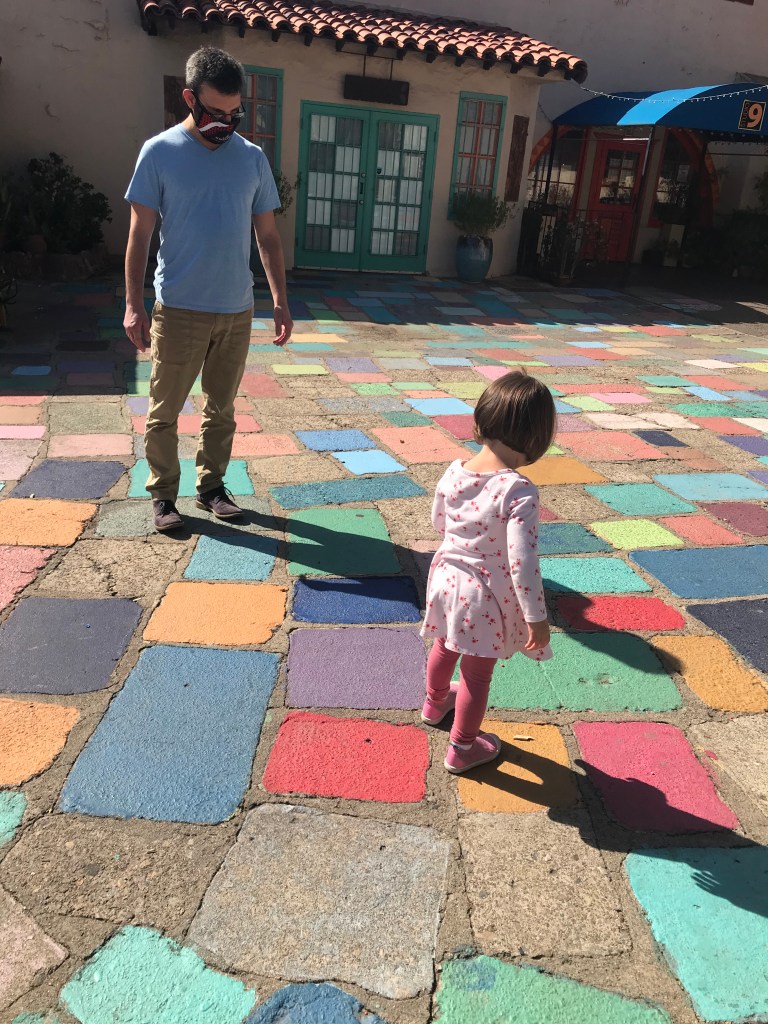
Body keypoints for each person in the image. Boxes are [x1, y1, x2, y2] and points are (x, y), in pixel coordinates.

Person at [123, 46, 292, 532]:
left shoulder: (251, 159)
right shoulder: (159, 153)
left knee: (222, 409)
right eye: (215, 112)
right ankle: (163, 495)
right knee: (164, 411)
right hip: (179, 308)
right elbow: (139, 235)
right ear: (189, 99)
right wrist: (134, 304)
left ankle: (212, 487)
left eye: (235, 113)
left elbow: (268, 237)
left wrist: (280, 301)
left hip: (236, 309)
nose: (225, 123)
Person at [420, 371, 556, 773]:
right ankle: (462, 747)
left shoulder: (455, 470)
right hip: (484, 596)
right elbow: (522, 562)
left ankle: (434, 703)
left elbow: (439, 522)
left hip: (446, 579)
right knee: (476, 676)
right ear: (537, 438)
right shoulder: (518, 490)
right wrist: (536, 617)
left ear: (481, 420)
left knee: (444, 646)